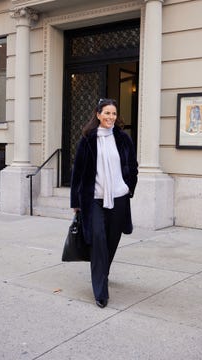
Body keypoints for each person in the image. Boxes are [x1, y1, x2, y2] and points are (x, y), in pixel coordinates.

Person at [70, 98, 138, 308]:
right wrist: (76, 201)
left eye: (114, 114)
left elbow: (132, 166)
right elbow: (78, 172)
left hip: (119, 198)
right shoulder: (88, 140)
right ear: (98, 115)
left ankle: (103, 274)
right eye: (107, 113)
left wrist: (128, 187)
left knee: (111, 241)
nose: (111, 117)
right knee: (98, 240)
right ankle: (100, 291)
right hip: (95, 200)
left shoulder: (123, 139)